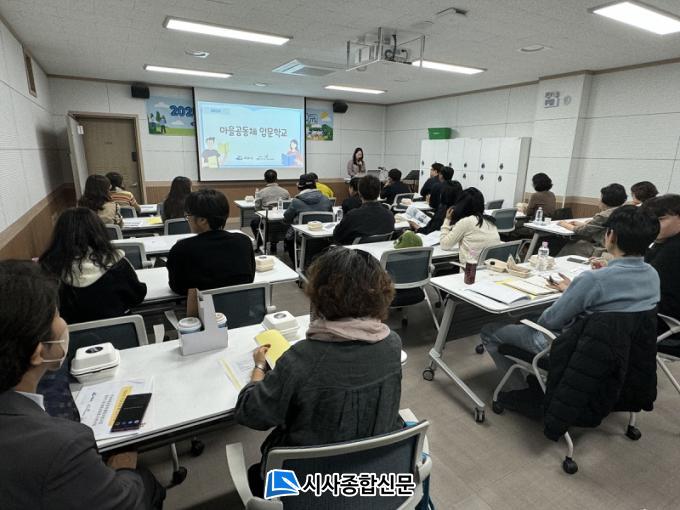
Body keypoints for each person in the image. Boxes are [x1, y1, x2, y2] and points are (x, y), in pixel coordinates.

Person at [234, 248, 403, 496]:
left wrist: (259, 368)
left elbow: (250, 414)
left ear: (319, 295)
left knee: (255, 473)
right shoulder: (392, 344)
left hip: (303, 487)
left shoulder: (302, 358)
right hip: (370, 472)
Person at [0, 260, 165, 509]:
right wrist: (122, 469)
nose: (63, 322)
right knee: (146, 483)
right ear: (38, 353)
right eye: (56, 315)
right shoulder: (62, 447)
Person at [480, 205, 660, 405]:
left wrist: (577, 290)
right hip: (619, 352)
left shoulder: (593, 280)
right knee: (529, 317)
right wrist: (577, 289)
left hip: (569, 348)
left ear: (611, 236)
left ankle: (520, 390)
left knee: (490, 330)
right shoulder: (652, 275)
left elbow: (549, 321)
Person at [40, 207, 147, 325]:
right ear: (98, 231)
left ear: (60, 236)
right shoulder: (117, 264)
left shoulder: (47, 271)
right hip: (121, 334)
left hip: (70, 336)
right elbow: (137, 296)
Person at [167, 189, 255, 295]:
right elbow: (249, 278)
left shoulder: (181, 249)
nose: (187, 220)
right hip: (240, 304)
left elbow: (177, 287)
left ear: (202, 220)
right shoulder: (244, 241)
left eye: (188, 216)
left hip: (200, 306)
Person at [641, 194, 680, 350]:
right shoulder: (665, 242)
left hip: (664, 322)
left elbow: (642, 284)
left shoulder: (674, 249)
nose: (652, 226)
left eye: (661, 219)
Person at [557, 183, 627, 257]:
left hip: (604, 249)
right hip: (622, 248)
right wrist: (582, 224)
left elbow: (583, 231)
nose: (598, 199)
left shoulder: (604, 216)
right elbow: (602, 227)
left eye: (601, 197)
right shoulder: (623, 211)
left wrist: (564, 224)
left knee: (573, 245)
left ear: (606, 199)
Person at [440, 187, 500, 264]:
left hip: (469, 269)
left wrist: (447, 219)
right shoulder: (490, 221)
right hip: (488, 268)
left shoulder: (466, 222)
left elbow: (444, 244)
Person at [283, 174, 333, 261]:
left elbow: (287, 218)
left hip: (302, 237)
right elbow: (331, 217)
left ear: (299, 187)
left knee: (289, 238)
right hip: (323, 237)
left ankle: (296, 264)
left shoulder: (296, 202)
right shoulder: (326, 199)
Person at [333, 175, 395, 245]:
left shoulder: (352, 216)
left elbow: (337, 236)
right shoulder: (389, 215)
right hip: (380, 250)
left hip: (355, 251)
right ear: (379, 192)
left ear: (359, 192)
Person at [250, 170, 291, 252]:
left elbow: (257, 209)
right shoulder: (285, 192)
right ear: (277, 179)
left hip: (267, 222)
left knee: (254, 222)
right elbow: (288, 207)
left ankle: (260, 244)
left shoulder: (261, 193)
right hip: (282, 222)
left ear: (265, 179)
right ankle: (285, 243)